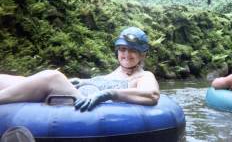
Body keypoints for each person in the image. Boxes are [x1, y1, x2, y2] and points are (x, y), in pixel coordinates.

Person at [0, 27, 160, 111]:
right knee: (10, 79)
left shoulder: (144, 76)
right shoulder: (115, 73)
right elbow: (102, 83)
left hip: (84, 104)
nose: (126, 54)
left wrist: (110, 94)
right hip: (79, 95)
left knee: (53, 77)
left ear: (142, 54)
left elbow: (152, 95)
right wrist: (84, 81)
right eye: (123, 49)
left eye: (132, 50)